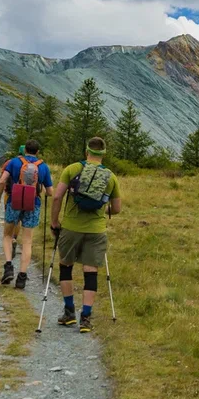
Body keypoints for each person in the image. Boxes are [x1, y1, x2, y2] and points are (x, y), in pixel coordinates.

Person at [50, 136, 122, 333]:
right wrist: (103, 210)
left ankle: (69, 312)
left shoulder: (72, 169)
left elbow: (57, 197)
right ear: (103, 154)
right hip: (96, 230)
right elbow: (116, 209)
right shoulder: (110, 176)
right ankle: (86, 318)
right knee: (91, 271)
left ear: (87, 152)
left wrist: (55, 222)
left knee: (66, 266)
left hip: (71, 228)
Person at [0, 140, 54, 289]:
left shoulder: (13, 162)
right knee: (27, 241)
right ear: (37, 152)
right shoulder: (43, 166)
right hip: (33, 205)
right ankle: (22, 276)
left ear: (24, 149)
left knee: (7, 235)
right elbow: (50, 192)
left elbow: (2, 182)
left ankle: (8, 267)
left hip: (14, 201)